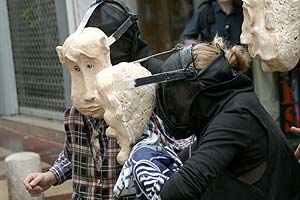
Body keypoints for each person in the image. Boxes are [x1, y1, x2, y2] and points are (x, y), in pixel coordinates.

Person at [23, 0, 162, 199]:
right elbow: (73, 156)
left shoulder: (140, 110)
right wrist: (51, 176)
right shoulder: (74, 116)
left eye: (91, 65)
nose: (88, 93)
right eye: (77, 69)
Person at [149, 36, 300, 199]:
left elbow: (179, 189)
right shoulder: (230, 105)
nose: (173, 105)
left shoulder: (236, 116)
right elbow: (183, 160)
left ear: (199, 90)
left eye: (176, 96)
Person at [94, 62, 187, 200]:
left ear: (126, 110)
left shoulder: (142, 158)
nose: (108, 132)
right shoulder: (156, 145)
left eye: (108, 108)